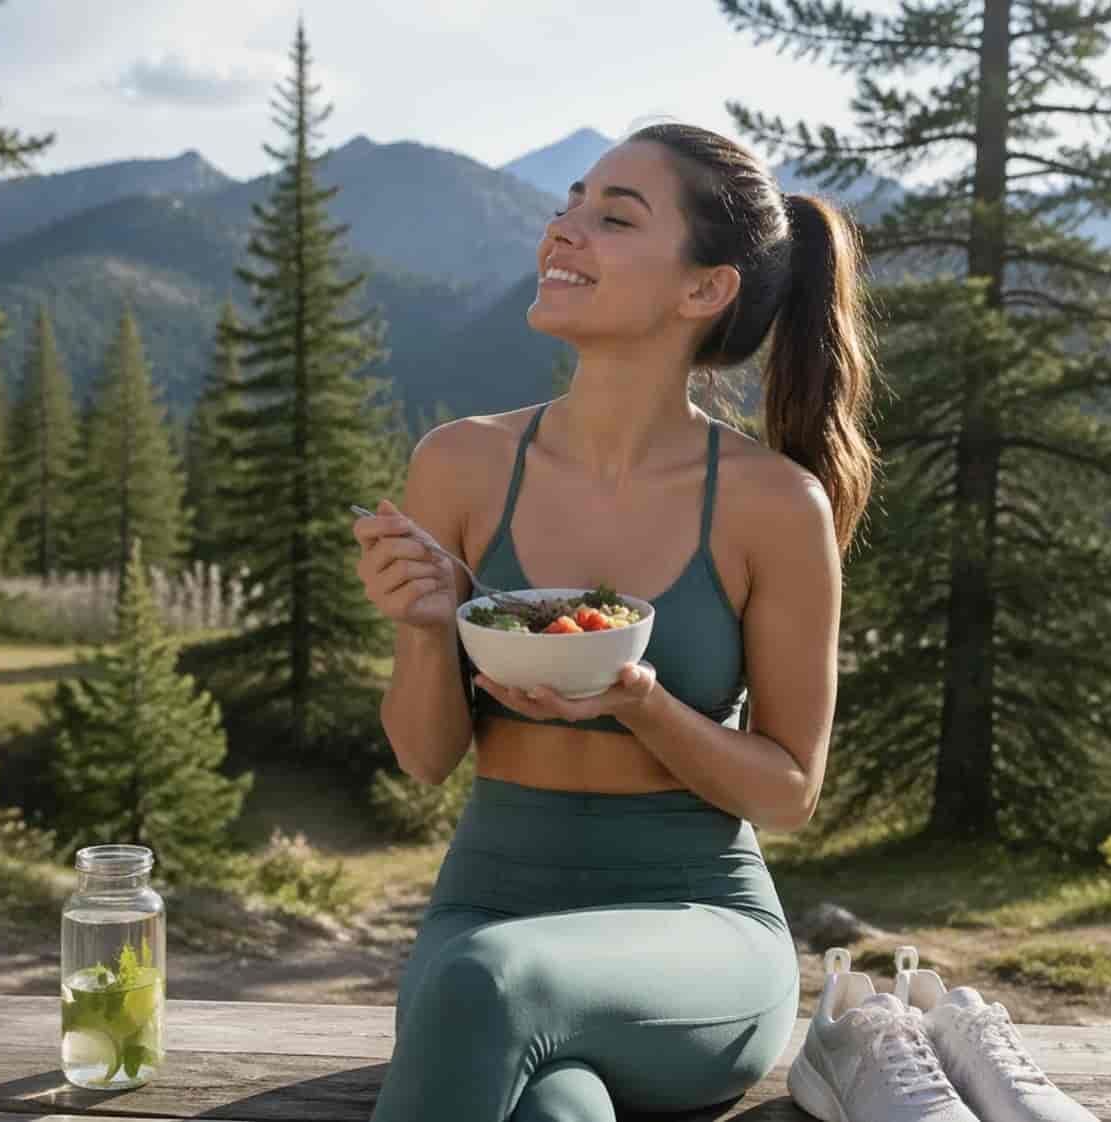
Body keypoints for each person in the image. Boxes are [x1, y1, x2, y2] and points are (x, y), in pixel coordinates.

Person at [352, 122, 876, 1122]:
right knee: (556, 1106)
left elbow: (788, 791)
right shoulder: (458, 464)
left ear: (703, 288)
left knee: (492, 985)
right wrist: (424, 627)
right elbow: (425, 759)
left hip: (692, 928)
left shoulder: (772, 503)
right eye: (568, 206)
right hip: (485, 902)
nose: (563, 231)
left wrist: (634, 699)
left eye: (612, 216)